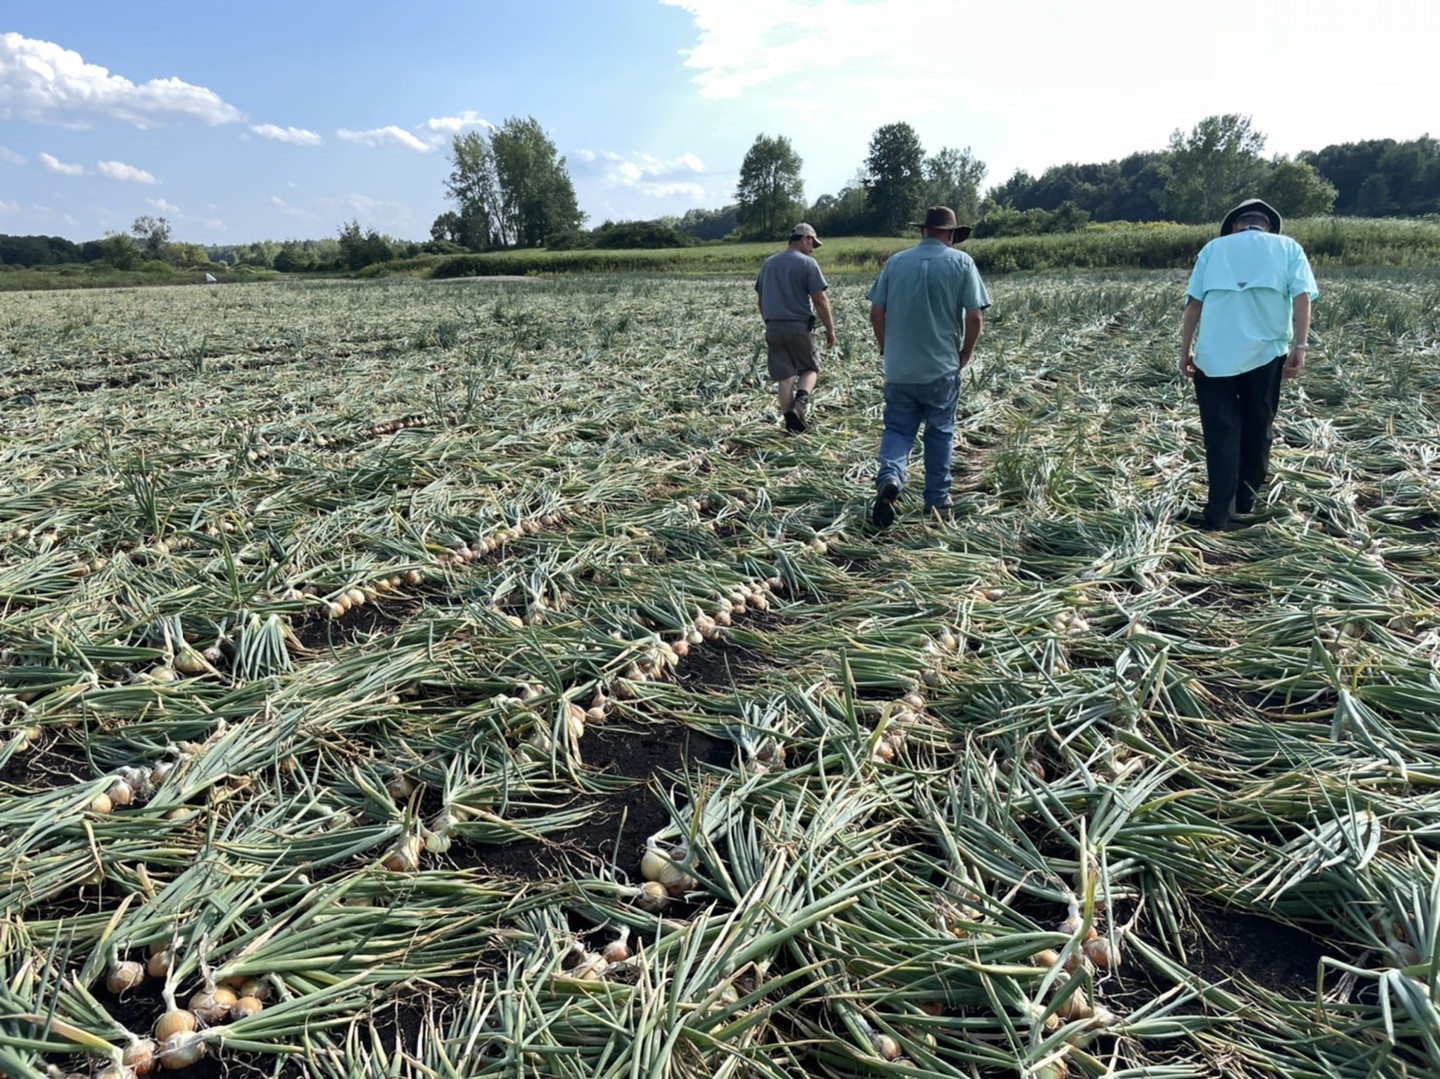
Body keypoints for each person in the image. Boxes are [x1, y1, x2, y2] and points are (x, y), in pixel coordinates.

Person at [1179, 198, 1318, 530]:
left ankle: (1217, 515)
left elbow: (1194, 305)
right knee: (1259, 428)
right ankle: (1246, 502)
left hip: (1213, 359)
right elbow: (1302, 297)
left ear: (1235, 226)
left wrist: (1185, 350)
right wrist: (1300, 345)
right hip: (1265, 355)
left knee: (1221, 434)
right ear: (1267, 226)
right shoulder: (1288, 248)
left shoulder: (1213, 249)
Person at [867, 206, 990, 526]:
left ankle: (891, 478)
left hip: (899, 369)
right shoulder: (962, 263)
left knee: (897, 429)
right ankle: (936, 501)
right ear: (951, 235)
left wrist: (886, 347)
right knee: (939, 433)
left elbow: (876, 313)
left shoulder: (895, 263)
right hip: (940, 369)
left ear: (923, 231)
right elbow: (975, 316)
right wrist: (965, 353)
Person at [755, 223, 836, 433]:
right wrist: (830, 329)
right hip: (799, 327)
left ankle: (791, 425)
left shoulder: (769, 264)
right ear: (804, 239)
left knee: (785, 377)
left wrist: (770, 322)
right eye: (812, 244)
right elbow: (820, 299)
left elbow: (761, 300)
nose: (812, 248)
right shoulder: (808, 263)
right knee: (810, 368)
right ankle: (800, 404)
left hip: (773, 327)